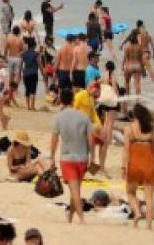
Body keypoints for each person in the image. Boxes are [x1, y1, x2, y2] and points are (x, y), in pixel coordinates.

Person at [49, 88, 93, 224]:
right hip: (82, 158)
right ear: (73, 100)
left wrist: (52, 157)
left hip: (67, 158)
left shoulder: (58, 118)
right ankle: (70, 216)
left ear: (61, 100)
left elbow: (54, 139)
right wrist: (92, 156)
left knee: (75, 191)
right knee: (76, 190)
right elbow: (90, 139)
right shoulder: (84, 117)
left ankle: (81, 218)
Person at [124, 102, 154, 229]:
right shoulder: (152, 129)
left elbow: (126, 150)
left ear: (134, 115)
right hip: (149, 164)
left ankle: (136, 212)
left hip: (134, 164)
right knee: (149, 197)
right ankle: (148, 225)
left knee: (130, 193)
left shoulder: (129, 129)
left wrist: (122, 167)